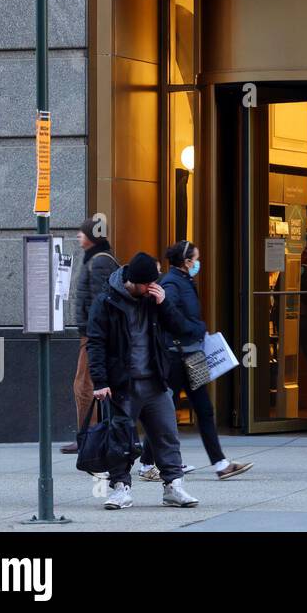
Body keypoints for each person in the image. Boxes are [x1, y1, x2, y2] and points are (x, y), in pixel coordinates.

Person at [88, 251, 198, 510]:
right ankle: (120, 488)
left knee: (167, 434)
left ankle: (173, 487)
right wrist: (100, 381)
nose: (153, 287)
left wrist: (165, 304)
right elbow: (96, 343)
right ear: (134, 282)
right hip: (122, 386)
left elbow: (182, 329)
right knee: (120, 439)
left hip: (155, 382)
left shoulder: (154, 300)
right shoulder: (106, 302)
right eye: (148, 284)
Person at [136, 241, 253, 482]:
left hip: (192, 355)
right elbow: (173, 318)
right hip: (178, 357)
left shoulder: (184, 282)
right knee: (164, 411)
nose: (198, 263)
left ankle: (220, 463)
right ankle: (147, 463)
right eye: (196, 259)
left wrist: (196, 330)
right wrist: (197, 328)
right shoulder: (171, 283)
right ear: (187, 261)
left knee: (203, 409)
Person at [63, 216, 118, 454]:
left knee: (84, 385)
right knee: (85, 385)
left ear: (93, 237)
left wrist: (95, 335)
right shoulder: (96, 259)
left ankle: (89, 436)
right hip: (90, 333)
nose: (78, 235)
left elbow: (99, 301)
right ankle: (90, 435)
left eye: (83, 233)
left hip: (92, 335)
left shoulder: (99, 262)